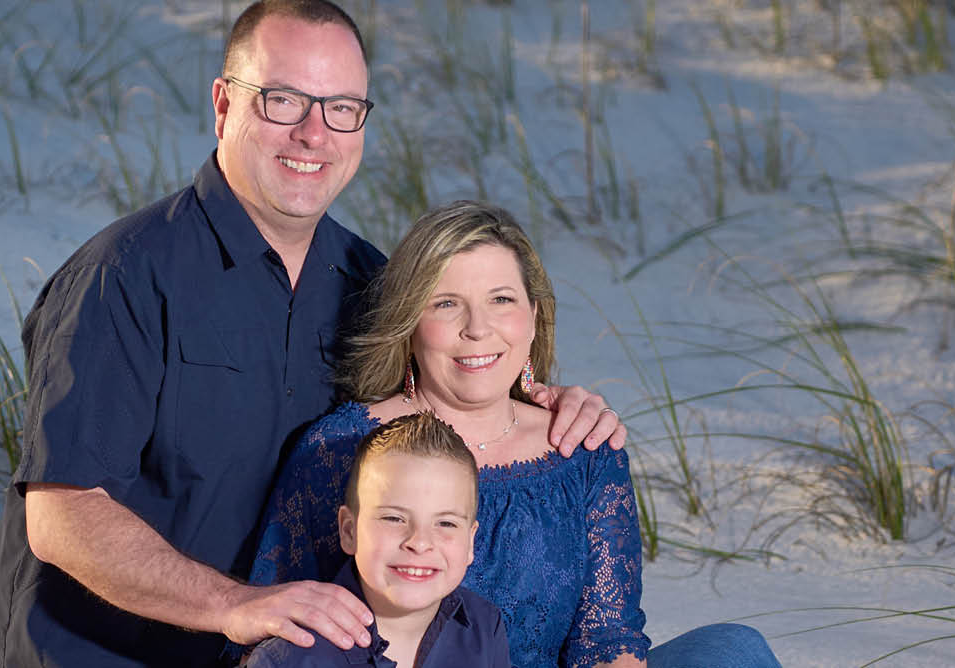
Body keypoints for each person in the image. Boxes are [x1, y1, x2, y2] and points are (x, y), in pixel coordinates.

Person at [0, 3, 625, 667]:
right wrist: (236, 606)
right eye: (284, 101)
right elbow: (63, 516)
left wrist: (554, 404)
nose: (314, 133)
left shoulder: (369, 281)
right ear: (224, 105)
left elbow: (449, 402)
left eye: (341, 107)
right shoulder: (124, 277)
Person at [251, 201, 782, 668]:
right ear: (410, 322)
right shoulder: (342, 448)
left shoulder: (582, 447)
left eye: (501, 299)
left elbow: (608, 639)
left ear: (533, 316)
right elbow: (279, 624)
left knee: (735, 650)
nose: (478, 328)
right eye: (446, 302)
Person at [243, 413, 510, 668]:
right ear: (349, 531)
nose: (419, 542)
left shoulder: (486, 629)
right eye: (394, 518)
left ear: (470, 543)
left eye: (446, 523)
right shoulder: (290, 658)